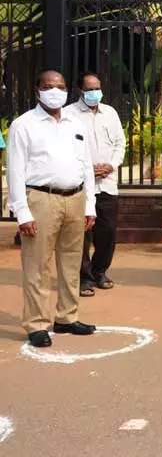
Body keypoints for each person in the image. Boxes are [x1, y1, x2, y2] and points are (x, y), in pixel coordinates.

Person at [5, 70, 97, 348]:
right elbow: (16, 171)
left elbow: (86, 166)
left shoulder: (75, 122)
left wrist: (90, 204)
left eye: (60, 86)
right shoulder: (24, 125)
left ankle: (67, 317)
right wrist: (22, 211)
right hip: (41, 199)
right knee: (37, 265)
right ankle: (37, 323)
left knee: (71, 262)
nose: (55, 91)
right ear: (37, 90)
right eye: (48, 86)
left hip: (75, 198)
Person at [72, 73, 125, 297]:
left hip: (107, 184)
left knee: (108, 231)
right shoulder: (68, 114)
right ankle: (84, 278)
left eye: (97, 88)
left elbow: (120, 144)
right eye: (90, 89)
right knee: (81, 234)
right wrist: (85, 168)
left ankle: (99, 271)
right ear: (80, 91)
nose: (95, 93)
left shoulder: (110, 113)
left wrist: (111, 165)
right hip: (81, 185)